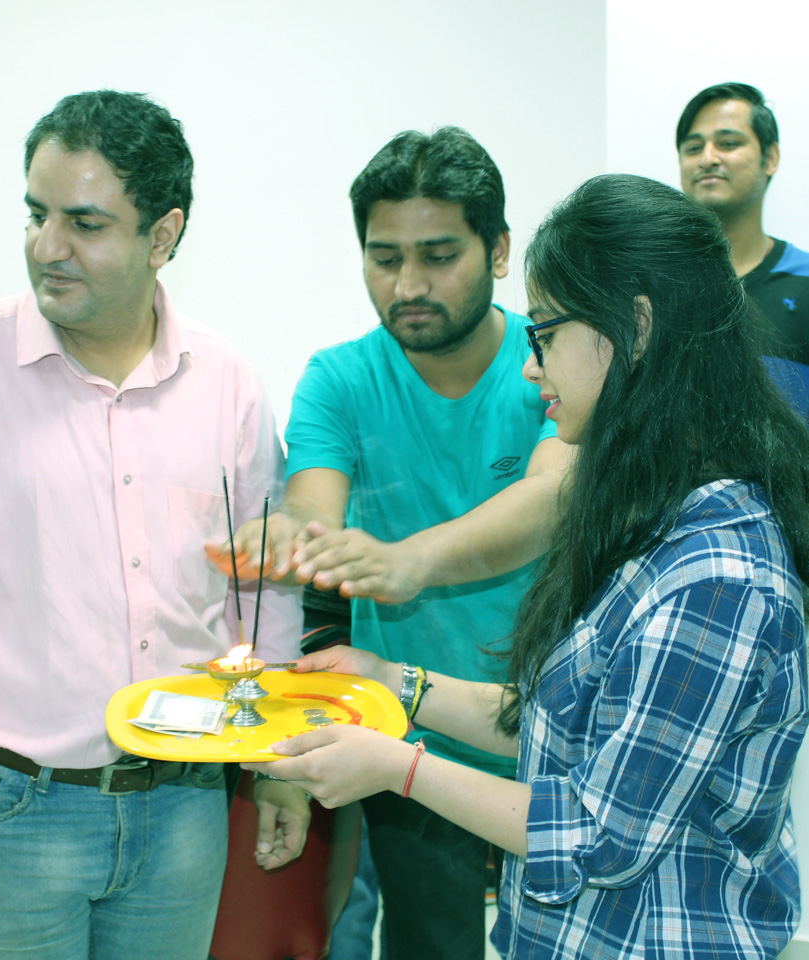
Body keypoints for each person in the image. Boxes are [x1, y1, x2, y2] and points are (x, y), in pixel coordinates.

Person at [244, 173, 809, 959]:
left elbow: (599, 835)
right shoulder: (649, 518)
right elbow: (565, 722)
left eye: (548, 336)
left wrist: (397, 767)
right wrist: (394, 681)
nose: (532, 369)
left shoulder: (715, 578)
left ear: (634, 328)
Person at [0, 90, 305, 960]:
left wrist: (278, 761)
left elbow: (262, 587)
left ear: (163, 235)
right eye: (36, 214)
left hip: (184, 807)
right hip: (3, 813)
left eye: (84, 223)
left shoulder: (226, 381)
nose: (47, 247)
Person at [209, 127, 570, 959]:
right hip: (411, 727)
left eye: (438, 255)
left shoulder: (550, 364)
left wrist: (409, 561)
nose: (408, 285)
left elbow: (550, 498)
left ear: (499, 250)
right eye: (384, 258)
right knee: (431, 943)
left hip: (555, 720)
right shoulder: (340, 378)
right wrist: (286, 537)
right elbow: (314, 509)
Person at [677, 81, 809, 499]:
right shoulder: (650, 282)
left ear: (770, 157)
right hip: (651, 526)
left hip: (772, 527)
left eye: (728, 143)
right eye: (693, 147)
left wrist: (750, 510)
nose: (708, 158)